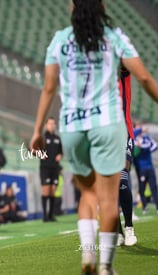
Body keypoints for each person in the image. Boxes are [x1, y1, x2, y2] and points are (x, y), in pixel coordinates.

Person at [29, 1, 158, 274]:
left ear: (72, 7)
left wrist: (37, 130)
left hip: (73, 126)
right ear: (101, 7)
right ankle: (105, 266)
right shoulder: (113, 37)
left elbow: (49, 87)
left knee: (87, 193)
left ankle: (88, 254)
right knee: (109, 198)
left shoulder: (60, 40)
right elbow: (145, 78)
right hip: (108, 124)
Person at [116, 66, 137, 247]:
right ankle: (118, 232)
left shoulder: (122, 76)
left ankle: (129, 227)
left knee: (122, 180)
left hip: (124, 135)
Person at [39, 117, 63, 222]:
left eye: (53, 123)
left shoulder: (57, 138)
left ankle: (51, 214)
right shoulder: (42, 138)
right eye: (50, 123)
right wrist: (41, 154)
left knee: (53, 190)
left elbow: (61, 151)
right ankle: (44, 215)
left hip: (55, 167)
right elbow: (34, 149)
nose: (52, 125)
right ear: (46, 125)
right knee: (46, 190)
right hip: (45, 167)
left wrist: (60, 155)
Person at [133, 124, 158, 214]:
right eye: (138, 128)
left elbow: (154, 147)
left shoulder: (147, 138)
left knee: (154, 187)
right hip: (141, 168)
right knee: (142, 188)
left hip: (150, 167)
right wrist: (139, 148)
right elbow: (133, 152)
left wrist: (144, 149)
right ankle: (144, 207)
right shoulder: (133, 140)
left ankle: (157, 207)